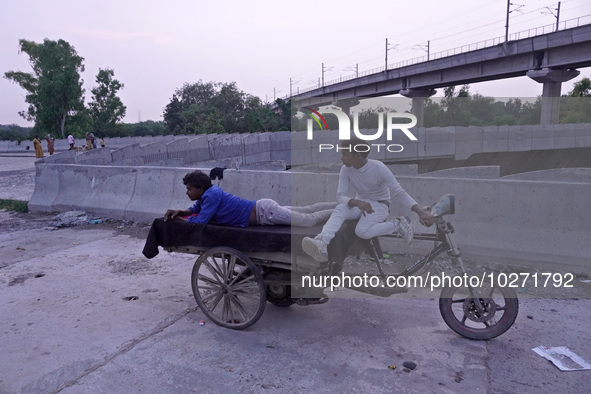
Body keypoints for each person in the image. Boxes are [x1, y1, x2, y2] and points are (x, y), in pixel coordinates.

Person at [301, 138, 436, 263]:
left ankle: (398, 224)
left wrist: (420, 212)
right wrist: (357, 203)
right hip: (360, 204)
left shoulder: (379, 168)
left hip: (380, 205)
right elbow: (340, 196)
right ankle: (322, 242)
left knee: (362, 231)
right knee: (341, 208)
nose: (341, 158)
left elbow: (398, 192)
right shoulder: (346, 169)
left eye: (345, 154)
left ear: (357, 156)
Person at [164, 170, 334, 227]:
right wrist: (182, 211)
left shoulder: (211, 196)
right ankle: (338, 204)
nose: (187, 193)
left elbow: (200, 221)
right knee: (306, 210)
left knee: (309, 220)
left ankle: (339, 208)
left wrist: (179, 219)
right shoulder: (208, 193)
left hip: (266, 213)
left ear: (199, 189)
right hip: (265, 209)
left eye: (189, 189)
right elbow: (195, 210)